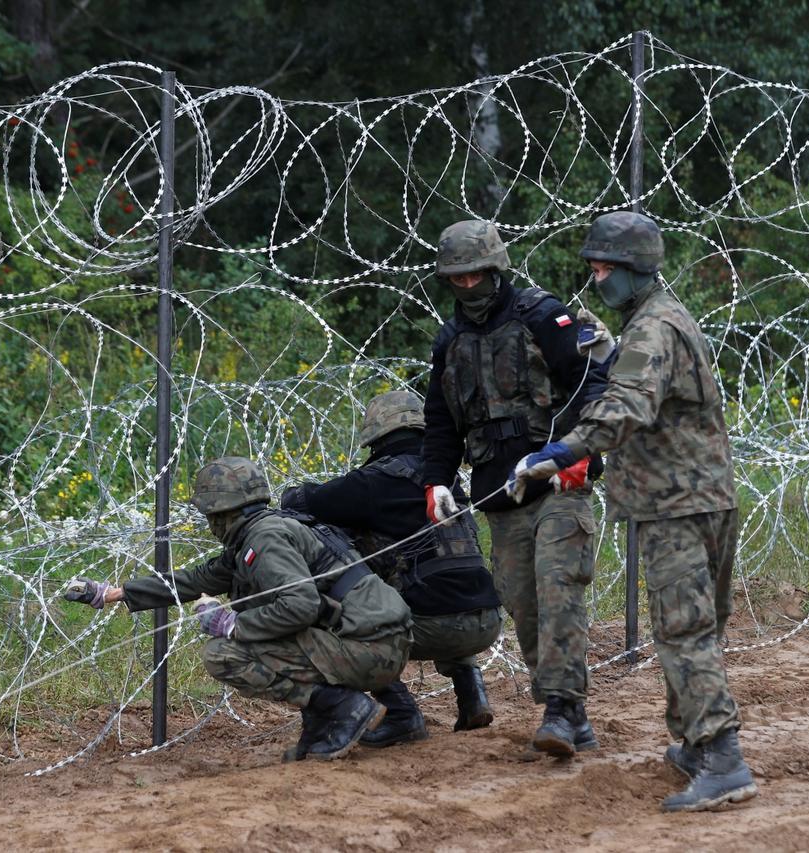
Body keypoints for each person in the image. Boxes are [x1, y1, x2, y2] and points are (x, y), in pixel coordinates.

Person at [508, 211, 757, 811]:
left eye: (602, 269)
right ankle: (697, 744)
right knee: (696, 627)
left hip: (675, 505)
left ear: (631, 269)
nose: (596, 280)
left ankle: (722, 759)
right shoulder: (666, 318)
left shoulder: (652, 329)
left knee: (683, 630)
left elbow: (629, 406)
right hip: (705, 495)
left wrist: (563, 449)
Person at [63, 456, 413, 762]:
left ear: (222, 512)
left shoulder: (265, 539)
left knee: (223, 654)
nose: (209, 523)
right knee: (268, 638)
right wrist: (116, 593)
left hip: (369, 648)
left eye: (209, 514)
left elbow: (301, 605)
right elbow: (194, 579)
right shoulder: (259, 534)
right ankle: (326, 719)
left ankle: (344, 707)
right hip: (373, 643)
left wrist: (232, 624)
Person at [420, 219, 609, 757]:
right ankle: (569, 711)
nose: (468, 286)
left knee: (558, 592)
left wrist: (578, 451)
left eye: (477, 274)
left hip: (559, 487)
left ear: (495, 269)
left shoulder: (543, 316)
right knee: (525, 606)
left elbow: (592, 382)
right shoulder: (450, 342)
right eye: (458, 278)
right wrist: (436, 481)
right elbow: (440, 422)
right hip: (499, 496)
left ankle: (560, 709)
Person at [281, 389, 502, 747]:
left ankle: (401, 715)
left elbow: (304, 500)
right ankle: (472, 694)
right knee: (442, 578)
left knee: (330, 619)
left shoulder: (375, 482)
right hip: (487, 620)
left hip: (433, 627)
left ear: (376, 435)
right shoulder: (446, 481)